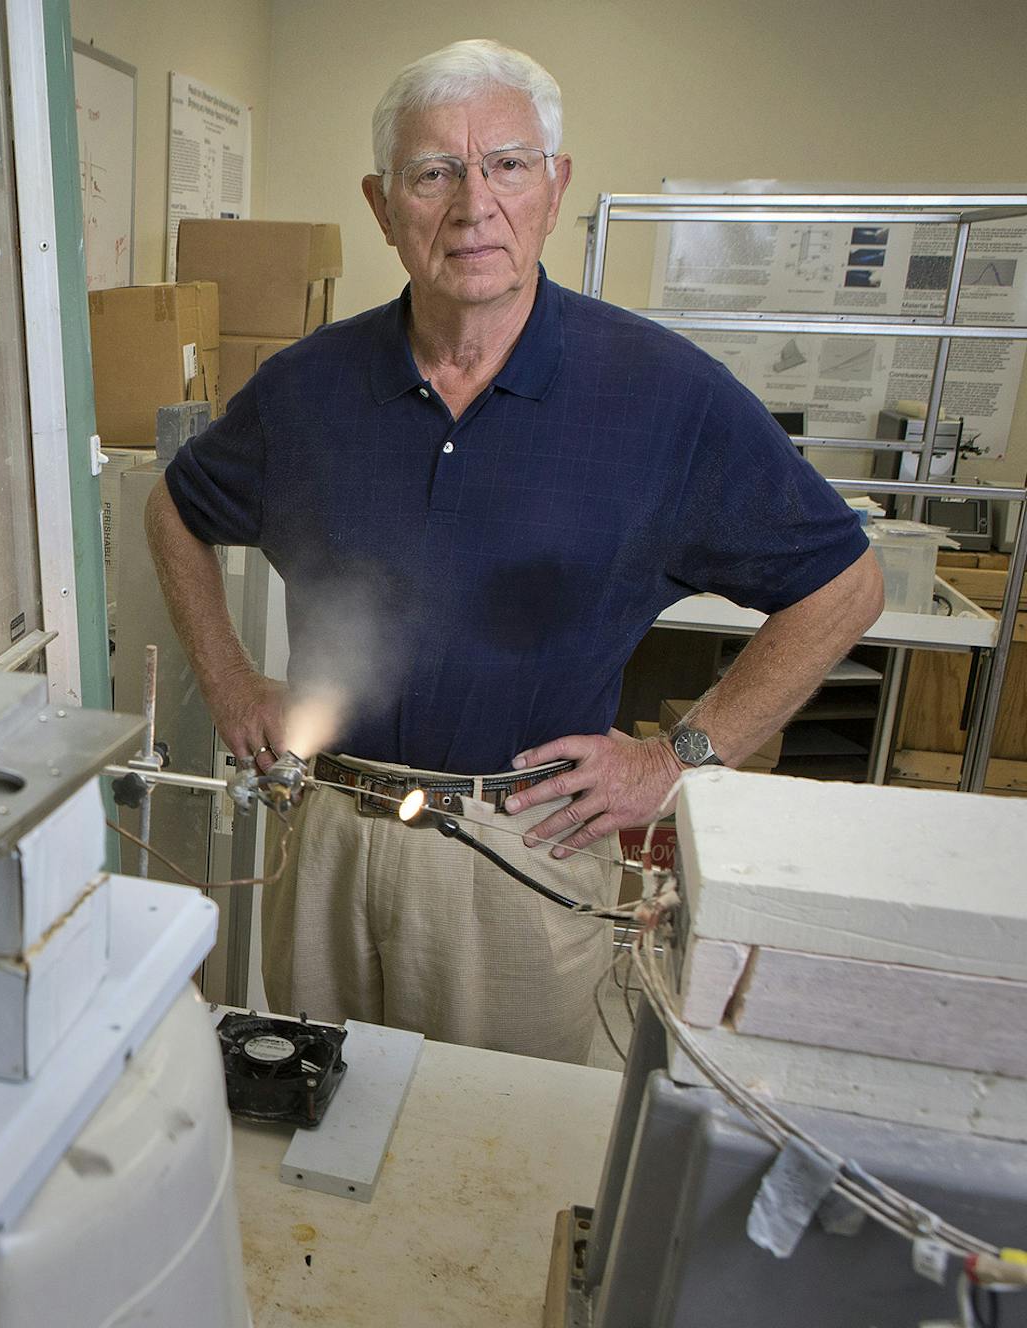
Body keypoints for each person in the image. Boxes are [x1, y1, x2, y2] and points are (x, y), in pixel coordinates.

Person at [145, 38, 884, 1063]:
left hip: (524, 855)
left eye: (507, 164)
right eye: (434, 172)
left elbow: (844, 586)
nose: (472, 205)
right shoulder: (306, 390)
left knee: (507, 1167)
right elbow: (174, 509)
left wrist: (681, 758)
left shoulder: (663, 396)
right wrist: (227, 683)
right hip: (327, 843)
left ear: (555, 186)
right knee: (310, 1141)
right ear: (382, 203)